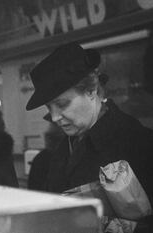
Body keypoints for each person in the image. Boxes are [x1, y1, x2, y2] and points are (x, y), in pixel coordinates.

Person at [26, 43, 153, 231]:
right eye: (49, 107)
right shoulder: (61, 150)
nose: (54, 117)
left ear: (91, 91)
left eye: (62, 104)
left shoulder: (138, 142)